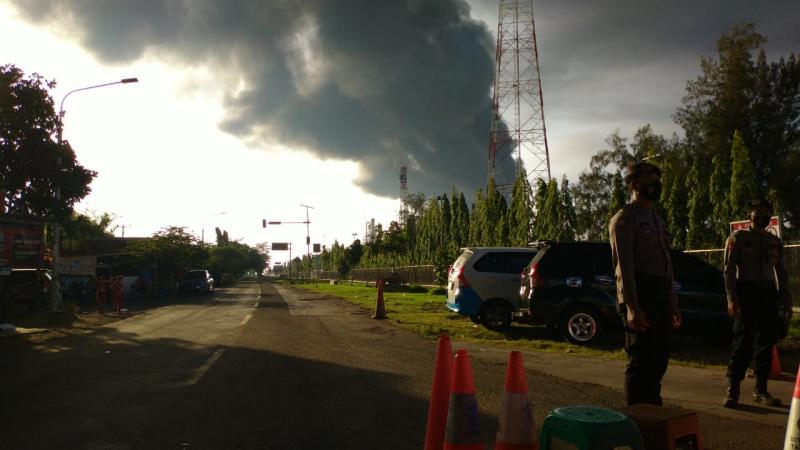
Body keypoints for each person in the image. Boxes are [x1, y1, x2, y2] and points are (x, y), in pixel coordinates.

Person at [609, 161, 682, 405]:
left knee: (659, 356)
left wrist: (672, 302)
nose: (654, 185)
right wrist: (631, 305)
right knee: (640, 358)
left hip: (660, 293)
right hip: (640, 293)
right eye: (647, 181)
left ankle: (652, 406)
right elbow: (624, 267)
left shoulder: (657, 219)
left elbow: (667, 264)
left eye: (656, 180)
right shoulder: (624, 219)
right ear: (632, 184)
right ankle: (638, 415)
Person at [723, 198, 793, 408]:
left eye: (765, 212)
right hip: (746, 291)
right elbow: (728, 271)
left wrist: (785, 297)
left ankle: (761, 390)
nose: (761, 216)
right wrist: (731, 298)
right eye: (757, 212)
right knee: (742, 343)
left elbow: (781, 270)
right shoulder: (738, 238)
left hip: (768, 292)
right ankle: (732, 390)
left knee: (766, 343)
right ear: (749, 216)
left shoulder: (774, 241)